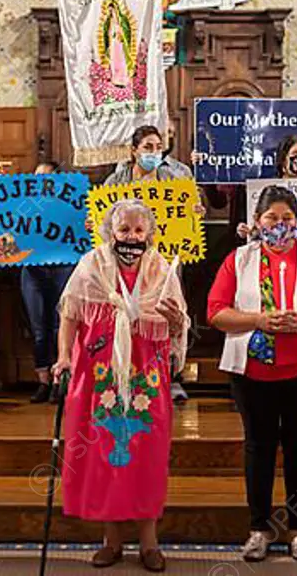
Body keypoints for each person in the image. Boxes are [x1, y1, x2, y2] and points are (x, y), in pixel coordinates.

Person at [208, 185, 297, 562]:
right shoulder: (239, 260)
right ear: (257, 222)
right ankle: (258, 529)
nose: (280, 225)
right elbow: (216, 312)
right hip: (252, 372)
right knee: (259, 448)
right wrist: (258, 319)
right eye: (272, 218)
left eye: (288, 218)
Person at [52, 199, 188, 572]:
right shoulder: (89, 267)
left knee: (145, 456)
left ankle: (149, 543)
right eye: (124, 229)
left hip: (147, 378)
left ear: (150, 234)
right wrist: (64, 355)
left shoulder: (163, 271)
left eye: (138, 230)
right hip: (99, 380)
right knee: (104, 458)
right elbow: (70, 315)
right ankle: (110, 540)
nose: (131, 237)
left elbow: (177, 329)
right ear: (110, 231)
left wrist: (177, 323)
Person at [104, 124, 198, 404]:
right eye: (147, 147)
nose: (154, 153)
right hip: (125, 263)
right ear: (134, 150)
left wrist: (195, 212)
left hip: (165, 259)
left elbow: (190, 217)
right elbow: (104, 221)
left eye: (158, 147)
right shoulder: (116, 181)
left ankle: (171, 375)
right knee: (129, 315)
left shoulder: (176, 177)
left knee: (168, 313)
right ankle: (126, 374)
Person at [21, 162, 76, 404]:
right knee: (39, 330)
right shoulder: (24, 206)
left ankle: (60, 381)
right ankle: (43, 380)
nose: (40, 182)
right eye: (36, 177)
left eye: (45, 177)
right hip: (33, 271)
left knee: (58, 326)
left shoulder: (70, 206)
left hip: (63, 268)